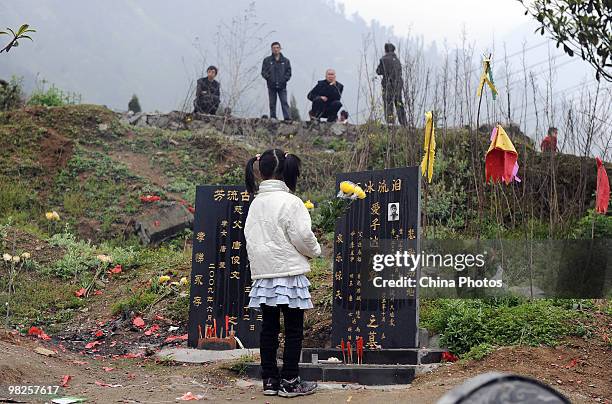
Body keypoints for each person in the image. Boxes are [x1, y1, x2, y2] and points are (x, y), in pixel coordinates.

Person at [244, 149, 320, 398]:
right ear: (286, 171)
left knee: (268, 329)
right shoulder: (291, 202)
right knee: (293, 329)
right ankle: (290, 380)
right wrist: (315, 251)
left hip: (264, 276)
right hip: (288, 274)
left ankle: (269, 381)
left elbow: (250, 238)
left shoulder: (256, 202)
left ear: (261, 171)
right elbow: (302, 236)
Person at [376, 43, 407, 126]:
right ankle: (404, 123)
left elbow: (378, 71)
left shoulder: (383, 59)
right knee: (399, 103)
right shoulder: (397, 60)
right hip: (398, 85)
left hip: (388, 85)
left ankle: (390, 122)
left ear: (386, 50)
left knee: (388, 103)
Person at [261, 42, 292, 120]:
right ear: (271, 49)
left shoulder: (285, 61)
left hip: (282, 85)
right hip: (271, 85)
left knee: (284, 102)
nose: (276, 49)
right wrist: (269, 79)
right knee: (272, 103)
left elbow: (289, 72)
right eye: (274, 48)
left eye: (277, 47)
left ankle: (287, 118)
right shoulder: (267, 60)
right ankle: (273, 117)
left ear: (280, 48)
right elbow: (263, 72)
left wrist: (284, 79)